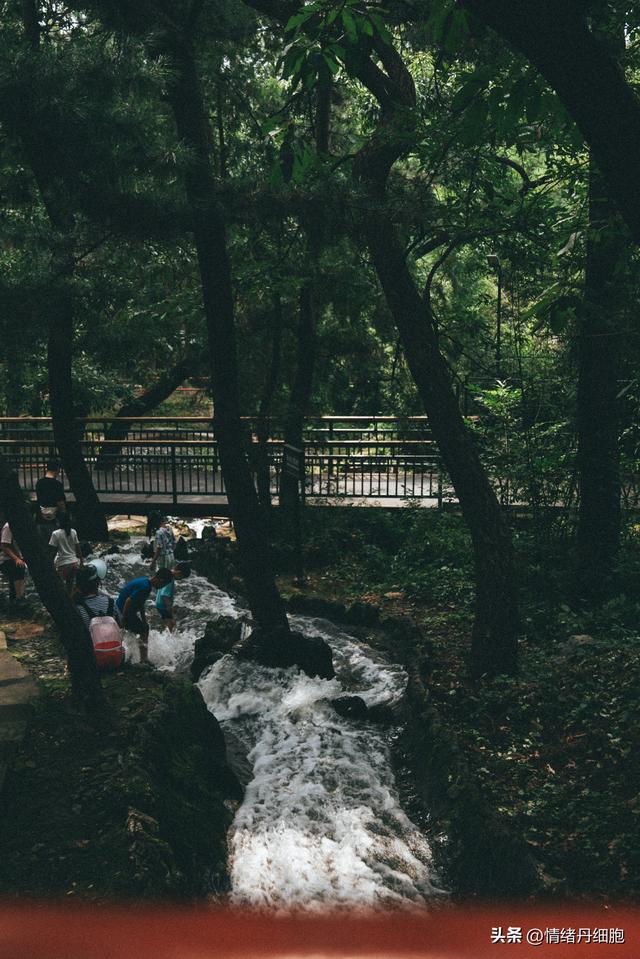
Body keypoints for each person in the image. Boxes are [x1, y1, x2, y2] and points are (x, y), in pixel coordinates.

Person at [116, 568, 172, 664]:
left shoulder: (145, 582)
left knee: (144, 629)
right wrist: (123, 618)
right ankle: (143, 660)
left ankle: (134, 657)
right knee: (143, 631)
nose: (162, 587)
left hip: (123, 610)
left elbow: (140, 604)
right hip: (122, 611)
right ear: (160, 580)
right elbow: (128, 601)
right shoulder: (145, 587)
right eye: (163, 585)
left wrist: (144, 621)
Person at [74, 566, 125, 670]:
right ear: (97, 584)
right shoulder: (111, 602)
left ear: (78, 586)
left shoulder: (77, 608)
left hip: (92, 661)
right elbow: (120, 624)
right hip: (117, 659)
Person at [49, 510, 82, 593]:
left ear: (58, 521)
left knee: (60, 589)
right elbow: (78, 548)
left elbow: (52, 552)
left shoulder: (55, 534)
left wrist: (50, 565)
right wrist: (82, 562)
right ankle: (71, 603)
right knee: (69, 587)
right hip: (74, 563)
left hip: (62, 564)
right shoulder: (73, 532)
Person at [155, 562, 191, 631]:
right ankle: (168, 638)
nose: (180, 579)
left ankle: (164, 633)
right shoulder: (170, 580)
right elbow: (165, 596)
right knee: (170, 623)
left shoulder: (167, 575)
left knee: (167, 622)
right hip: (163, 606)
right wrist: (170, 613)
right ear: (178, 572)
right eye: (181, 577)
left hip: (160, 604)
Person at [35, 458, 66, 530]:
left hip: (41, 518)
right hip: (54, 519)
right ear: (57, 469)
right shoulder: (57, 484)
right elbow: (60, 503)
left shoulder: (39, 483)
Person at [0, 522, 26, 604]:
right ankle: (19, 597)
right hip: (6, 559)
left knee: (13, 581)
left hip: (17, 557)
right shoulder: (9, 526)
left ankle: (15, 600)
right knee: (18, 568)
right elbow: (4, 545)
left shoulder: (23, 526)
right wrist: (16, 559)